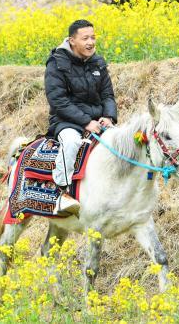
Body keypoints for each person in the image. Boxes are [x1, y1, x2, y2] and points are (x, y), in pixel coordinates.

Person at [44, 19, 118, 215]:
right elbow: (58, 101)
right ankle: (62, 193)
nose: (91, 42)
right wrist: (86, 122)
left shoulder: (98, 62)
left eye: (93, 37)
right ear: (72, 41)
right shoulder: (57, 64)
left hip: (98, 120)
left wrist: (109, 116)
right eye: (85, 38)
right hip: (66, 121)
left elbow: (107, 95)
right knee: (71, 143)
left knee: (122, 142)